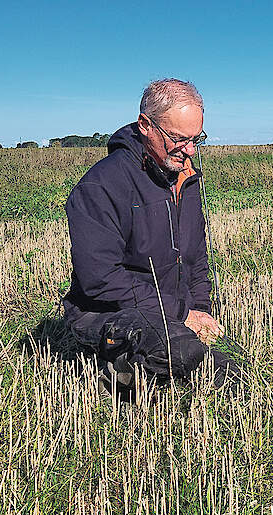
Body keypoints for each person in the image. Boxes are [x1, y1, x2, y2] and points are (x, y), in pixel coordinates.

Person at [62, 78, 240, 396]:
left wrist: (201, 310)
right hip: (107, 311)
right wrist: (182, 313)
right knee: (184, 353)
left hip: (167, 308)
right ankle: (114, 378)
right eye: (178, 139)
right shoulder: (101, 186)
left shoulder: (185, 178)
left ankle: (162, 365)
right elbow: (100, 279)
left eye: (196, 139)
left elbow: (196, 256)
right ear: (146, 125)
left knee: (233, 365)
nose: (190, 151)